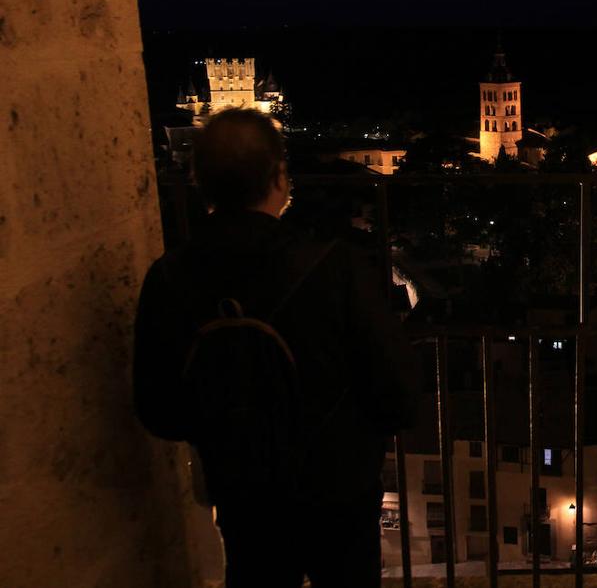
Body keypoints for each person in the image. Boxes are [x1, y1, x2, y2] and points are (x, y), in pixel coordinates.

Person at [134, 108, 419, 588]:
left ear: (200, 182)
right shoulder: (338, 268)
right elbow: (397, 394)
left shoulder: (168, 279)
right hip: (339, 488)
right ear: (280, 178)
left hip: (243, 490)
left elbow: (159, 410)